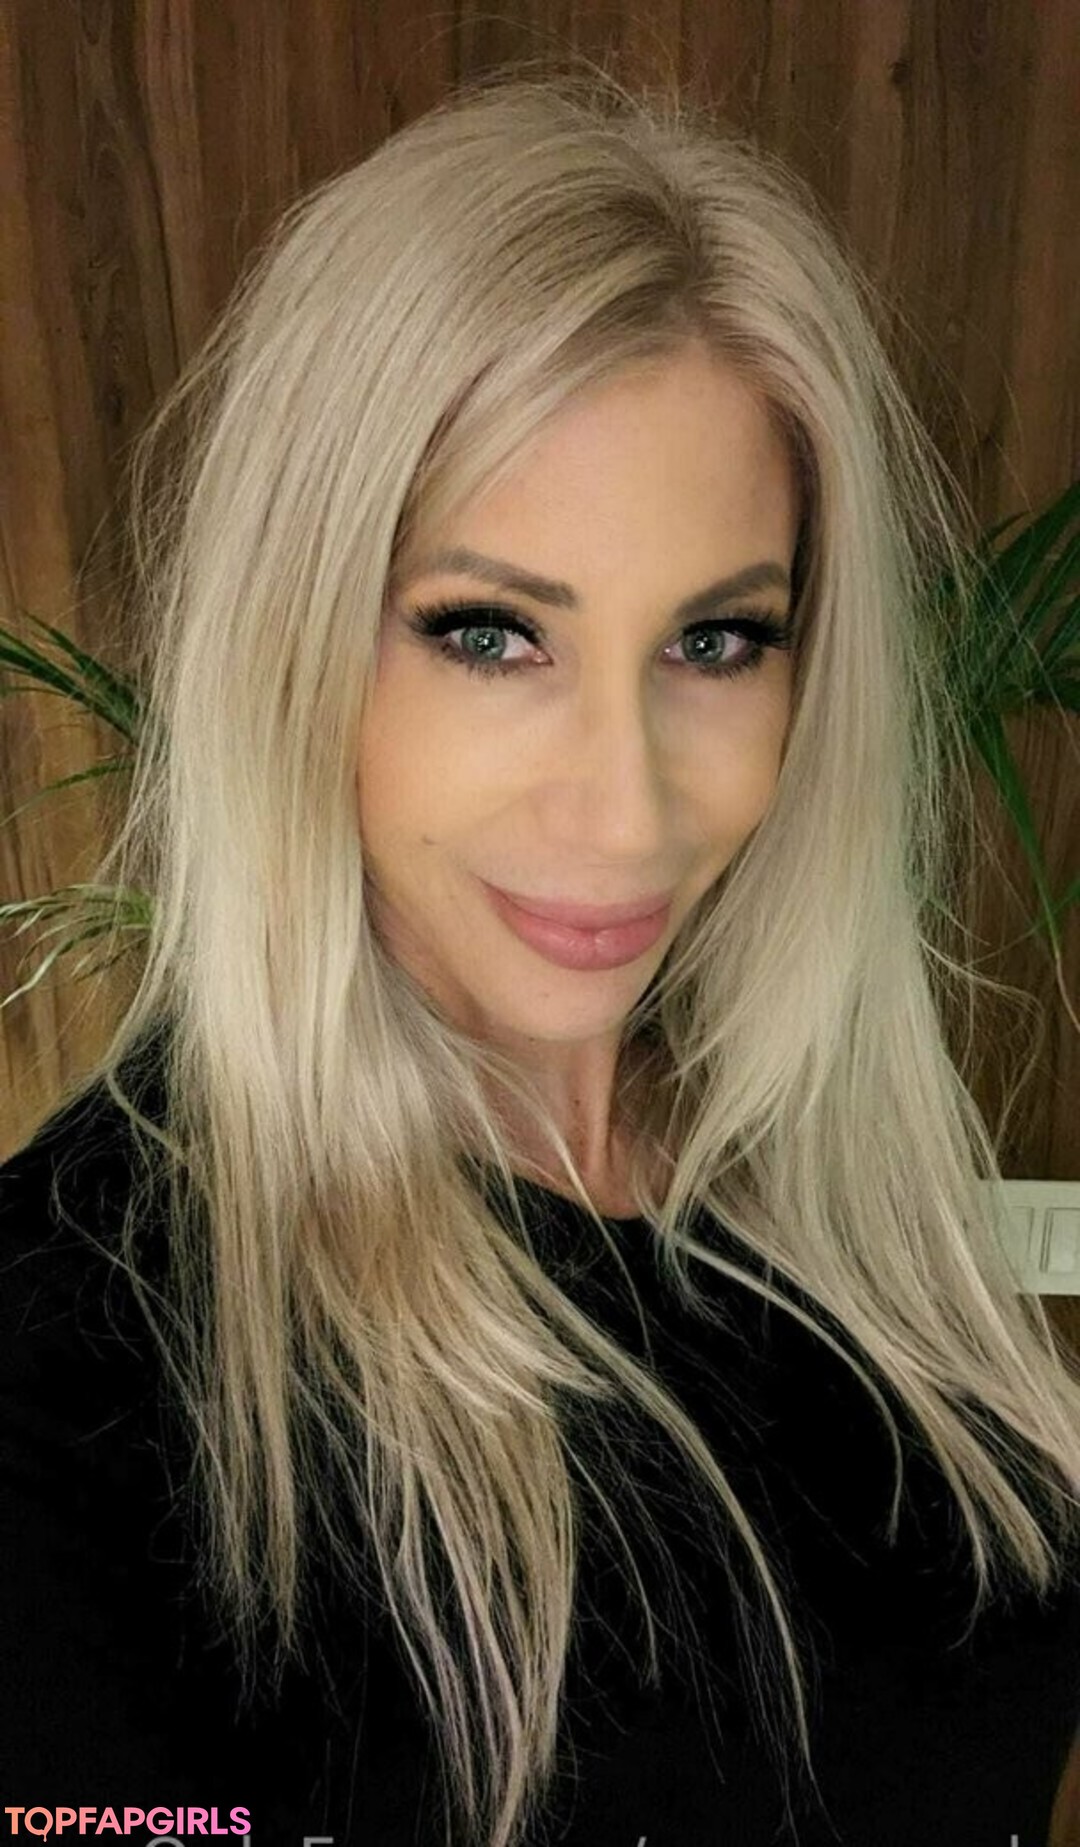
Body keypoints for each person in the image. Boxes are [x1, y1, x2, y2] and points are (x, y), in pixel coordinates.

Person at [2, 63, 1079, 1847]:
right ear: (295, 641)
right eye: (491, 633)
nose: (623, 808)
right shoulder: (75, 1374)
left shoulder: (832, 1185)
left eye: (717, 643)